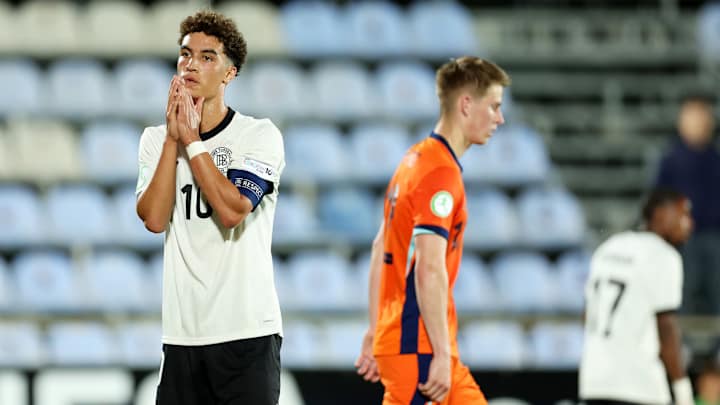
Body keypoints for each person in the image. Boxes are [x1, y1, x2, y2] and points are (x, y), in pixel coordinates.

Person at [135, 10, 284, 405]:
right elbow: (153, 219)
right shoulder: (154, 140)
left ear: (229, 73)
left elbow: (233, 211)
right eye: (185, 54)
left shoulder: (258, 135)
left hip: (246, 335)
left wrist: (193, 142)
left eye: (206, 57)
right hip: (182, 337)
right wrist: (174, 139)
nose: (191, 64)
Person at [355, 56, 510, 404]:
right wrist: (439, 353)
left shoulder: (413, 160)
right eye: (494, 106)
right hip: (419, 345)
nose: (499, 118)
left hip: (412, 341)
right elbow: (429, 267)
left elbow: (381, 248)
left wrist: (375, 328)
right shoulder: (440, 174)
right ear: (466, 104)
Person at [579, 188, 694, 405]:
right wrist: (682, 388)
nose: (689, 223)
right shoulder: (664, 255)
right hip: (638, 385)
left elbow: (587, 315)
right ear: (660, 213)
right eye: (683, 214)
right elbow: (666, 327)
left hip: (593, 381)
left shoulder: (608, 247)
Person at [655, 95, 720, 315]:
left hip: (714, 237)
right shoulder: (670, 160)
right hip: (682, 241)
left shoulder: (715, 159)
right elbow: (659, 199)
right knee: (682, 296)